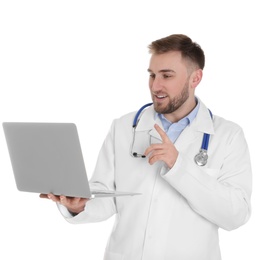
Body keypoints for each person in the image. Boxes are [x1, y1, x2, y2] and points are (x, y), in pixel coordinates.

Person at [41, 34, 252, 260]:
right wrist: (79, 206)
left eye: (167, 76)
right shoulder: (123, 127)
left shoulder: (228, 135)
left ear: (195, 78)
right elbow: (108, 196)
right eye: (152, 75)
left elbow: (235, 215)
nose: (156, 86)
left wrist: (178, 165)